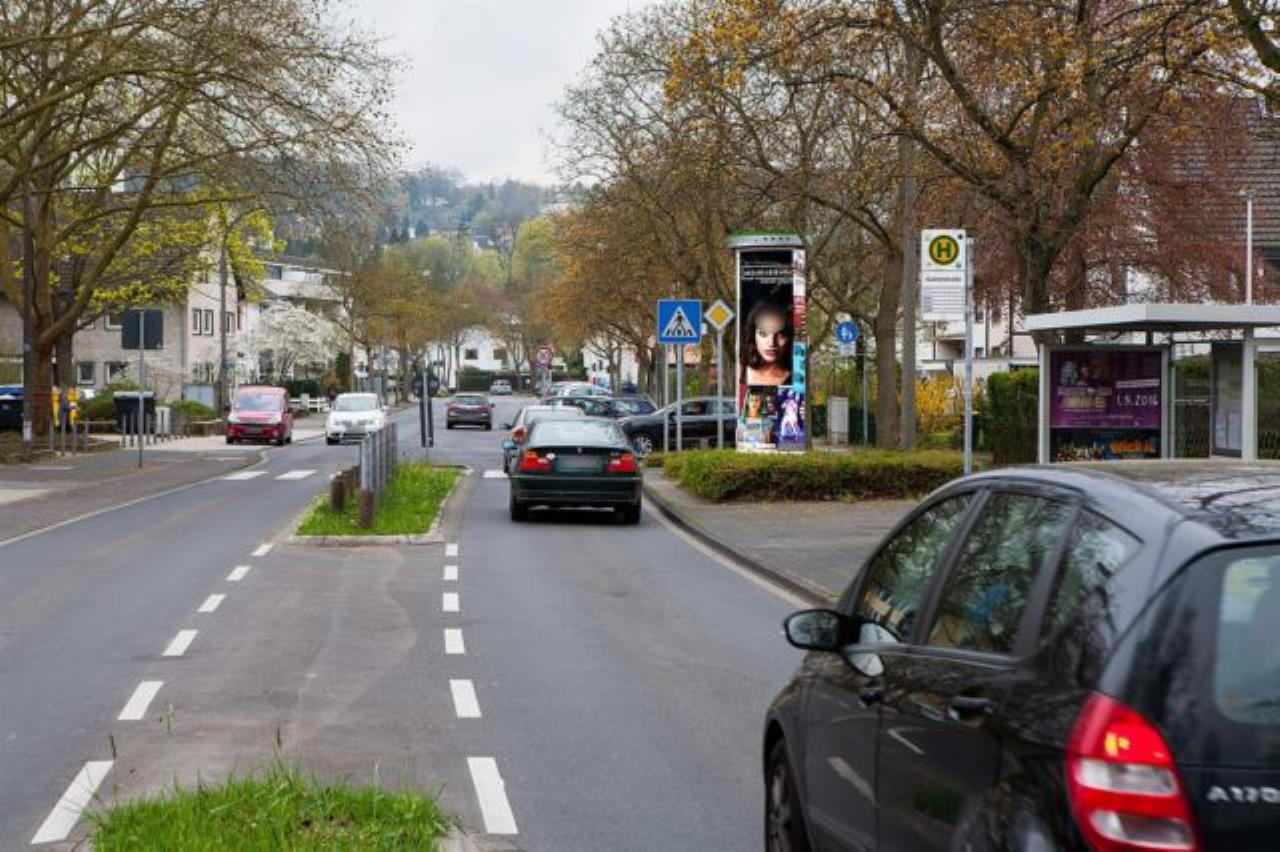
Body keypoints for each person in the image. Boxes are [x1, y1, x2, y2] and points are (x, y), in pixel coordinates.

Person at [741, 301, 793, 385]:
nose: (771, 343)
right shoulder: (739, 370)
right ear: (753, 335)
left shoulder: (798, 377)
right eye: (763, 334)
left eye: (780, 335)